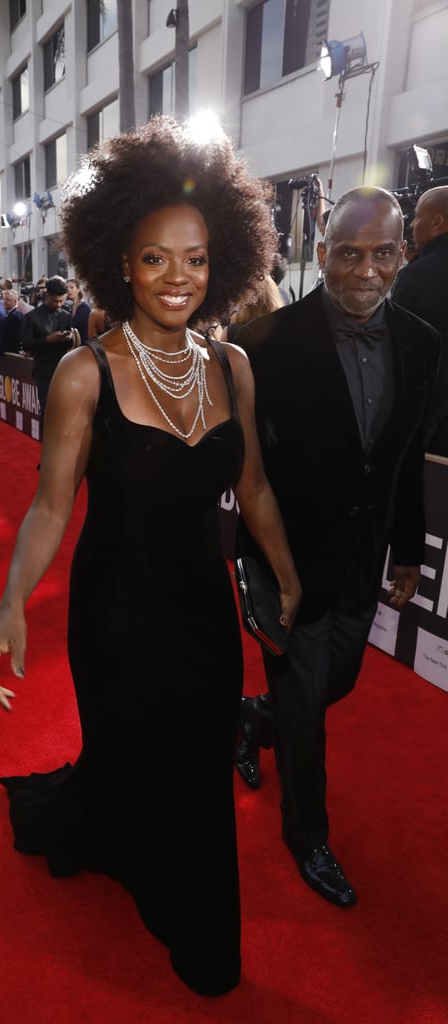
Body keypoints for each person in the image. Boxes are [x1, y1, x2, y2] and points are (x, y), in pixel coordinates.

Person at [0, 116, 301, 997]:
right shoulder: (85, 372)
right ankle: (162, 894)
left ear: (222, 260)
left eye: (195, 258)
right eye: (155, 258)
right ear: (120, 261)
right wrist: (9, 606)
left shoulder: (232, 366)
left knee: (195, 762)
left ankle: (184, 909)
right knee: (132, 749)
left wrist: (288, 574)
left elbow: (258, 490)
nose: (177, 277)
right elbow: (49, 507)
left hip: (200, 609)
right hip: (114, 614)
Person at [234, 187, 440, 908]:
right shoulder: (264, 343)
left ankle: (247, 719)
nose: (363, 270)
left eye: (381, 253)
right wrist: (258, 566)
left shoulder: (422, 342)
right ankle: (306, 836)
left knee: (331, 688)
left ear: (401, 255)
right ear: (320, 254)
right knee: (303, 706)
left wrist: (408, 551)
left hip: (362, 560)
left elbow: (405, 456)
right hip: (283, 565)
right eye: (346, 253)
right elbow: (249, 473)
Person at [391, 184, 448, 456]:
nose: (412, 224)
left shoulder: (417, 275)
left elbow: (393, 344)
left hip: (427, 409)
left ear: (437, 221)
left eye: (417, 216)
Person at [21, 275, 74, 434]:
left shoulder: (66, 315)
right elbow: (26, 344)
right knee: (47, 412)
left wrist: (70, 338)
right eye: (55, 301)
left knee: (64, 411)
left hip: (64, 371)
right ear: (47, 296)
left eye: (61, 301)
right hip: (44, 371)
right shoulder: (32, 317)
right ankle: (46, 448)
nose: (58, 304)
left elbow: (70, 344)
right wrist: (48, 340)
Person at [0, 290, 24, 356]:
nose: (5, 301)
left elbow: (12, 338)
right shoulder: (9, 314)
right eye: (3, 299)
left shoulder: (15, 316)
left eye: (8, 300)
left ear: (15, 301)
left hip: (12, 355)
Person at [66, 278, 91, 343]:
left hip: (84, 344)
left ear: (78, 289)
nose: (68, 290)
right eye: (67, 288)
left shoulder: (85, 308)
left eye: (71, 287)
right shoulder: (68, 306)